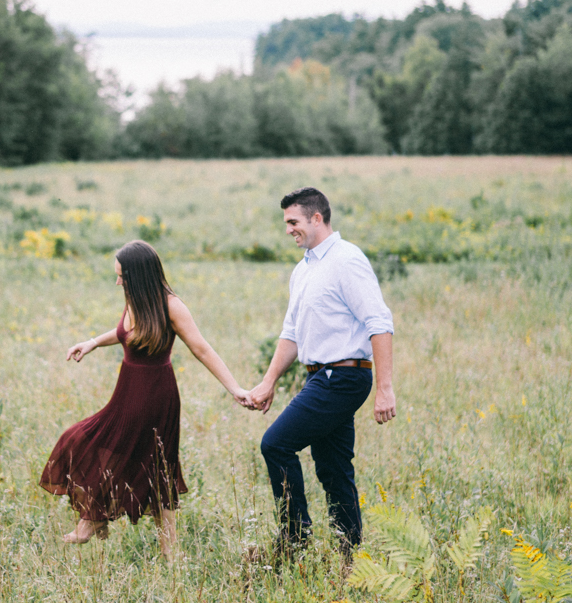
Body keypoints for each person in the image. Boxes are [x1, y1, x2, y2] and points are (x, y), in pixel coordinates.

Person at [40, 239, 251, 556]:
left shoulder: (171, 306)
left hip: (154, 395)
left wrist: (235, 388)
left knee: (139, 460)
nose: (118, 281)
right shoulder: (136, 300)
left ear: (139, 275)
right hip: (127, 390)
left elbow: (202, 349)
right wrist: (93, 342)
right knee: (146, 464)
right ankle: (166, 551)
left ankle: (95, 520)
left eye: (122, 276)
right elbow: (126, 333)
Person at [250, 186, 396, 558]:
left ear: (317, 218)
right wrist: (268, 383)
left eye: (293, 222)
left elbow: (379, 322)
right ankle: (351, 553)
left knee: (276, 444)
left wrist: (385, 389)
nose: (288, 230)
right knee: (333, 467)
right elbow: (291, 334)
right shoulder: (303, 271)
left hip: (345, 376)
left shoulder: (347, 260)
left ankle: (294, 539)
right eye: (286, 223)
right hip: (321, 376)